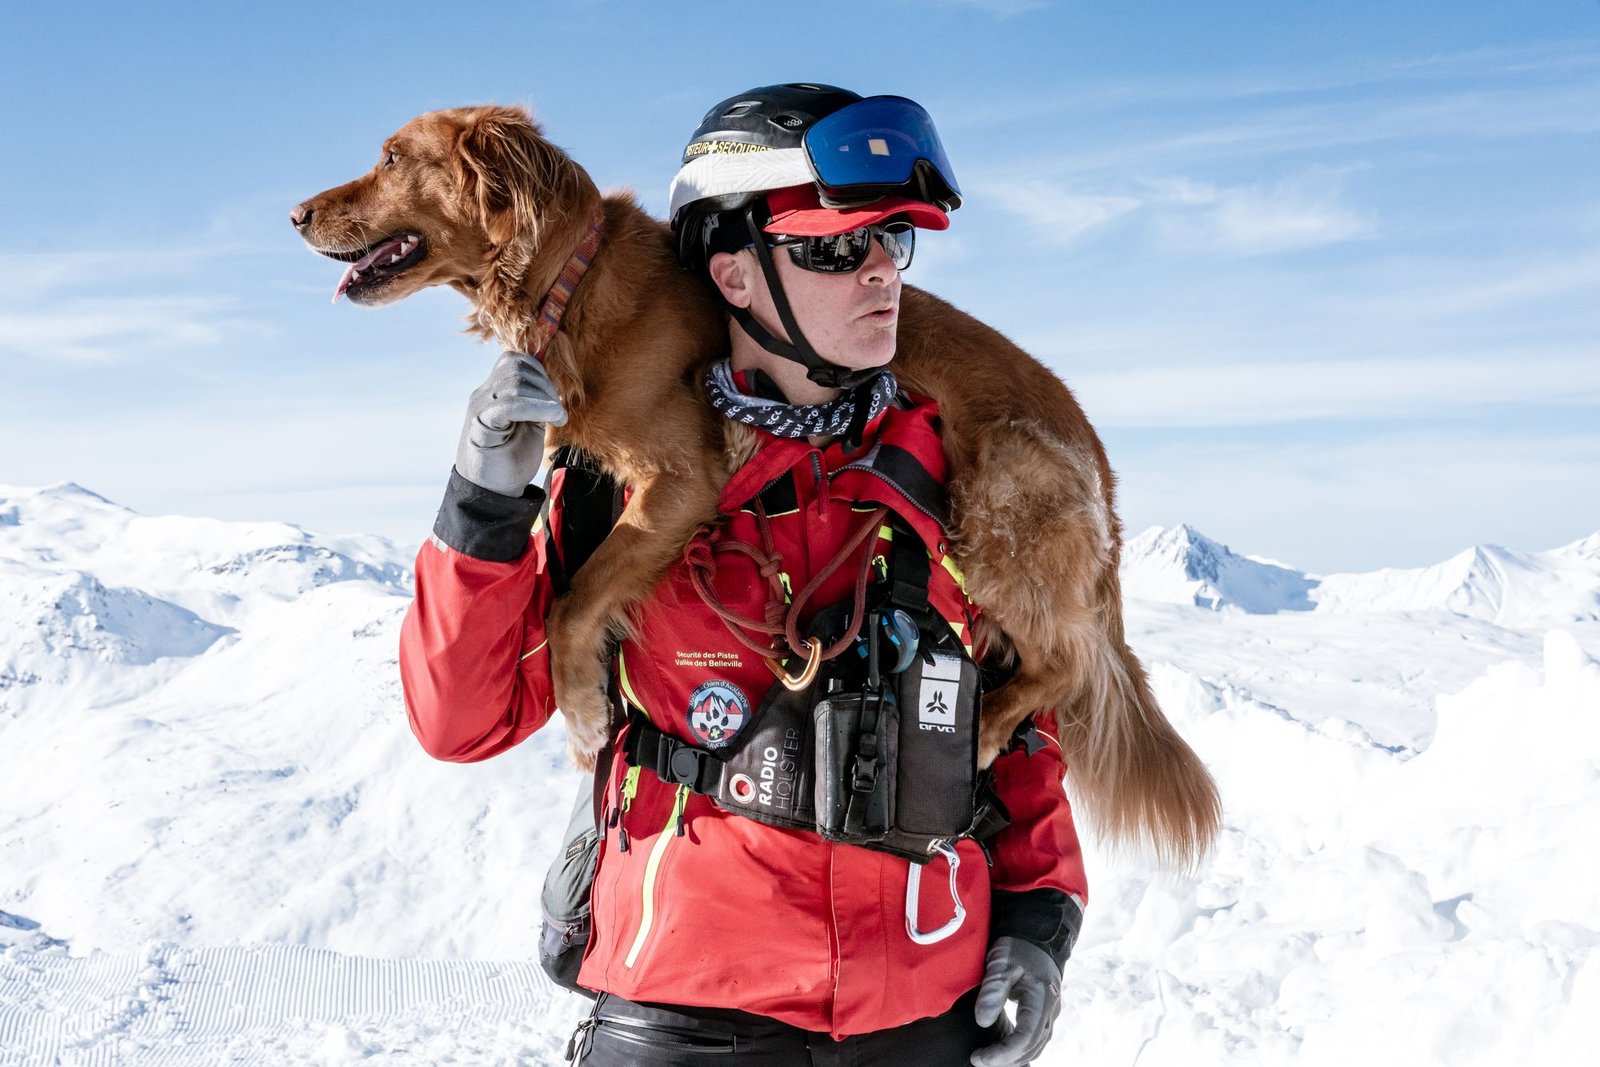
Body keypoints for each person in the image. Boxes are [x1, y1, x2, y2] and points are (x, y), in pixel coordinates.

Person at [399, 83, 1088, 1067]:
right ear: (731, 272)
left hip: (928, 1011)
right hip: (686, 1015)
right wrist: (483, 496)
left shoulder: (952, 468)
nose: (879, 273)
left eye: (893, 242)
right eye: (833, 248)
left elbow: (1013, 715)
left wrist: (1039, 916)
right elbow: (460, 720)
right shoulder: (620, 478)